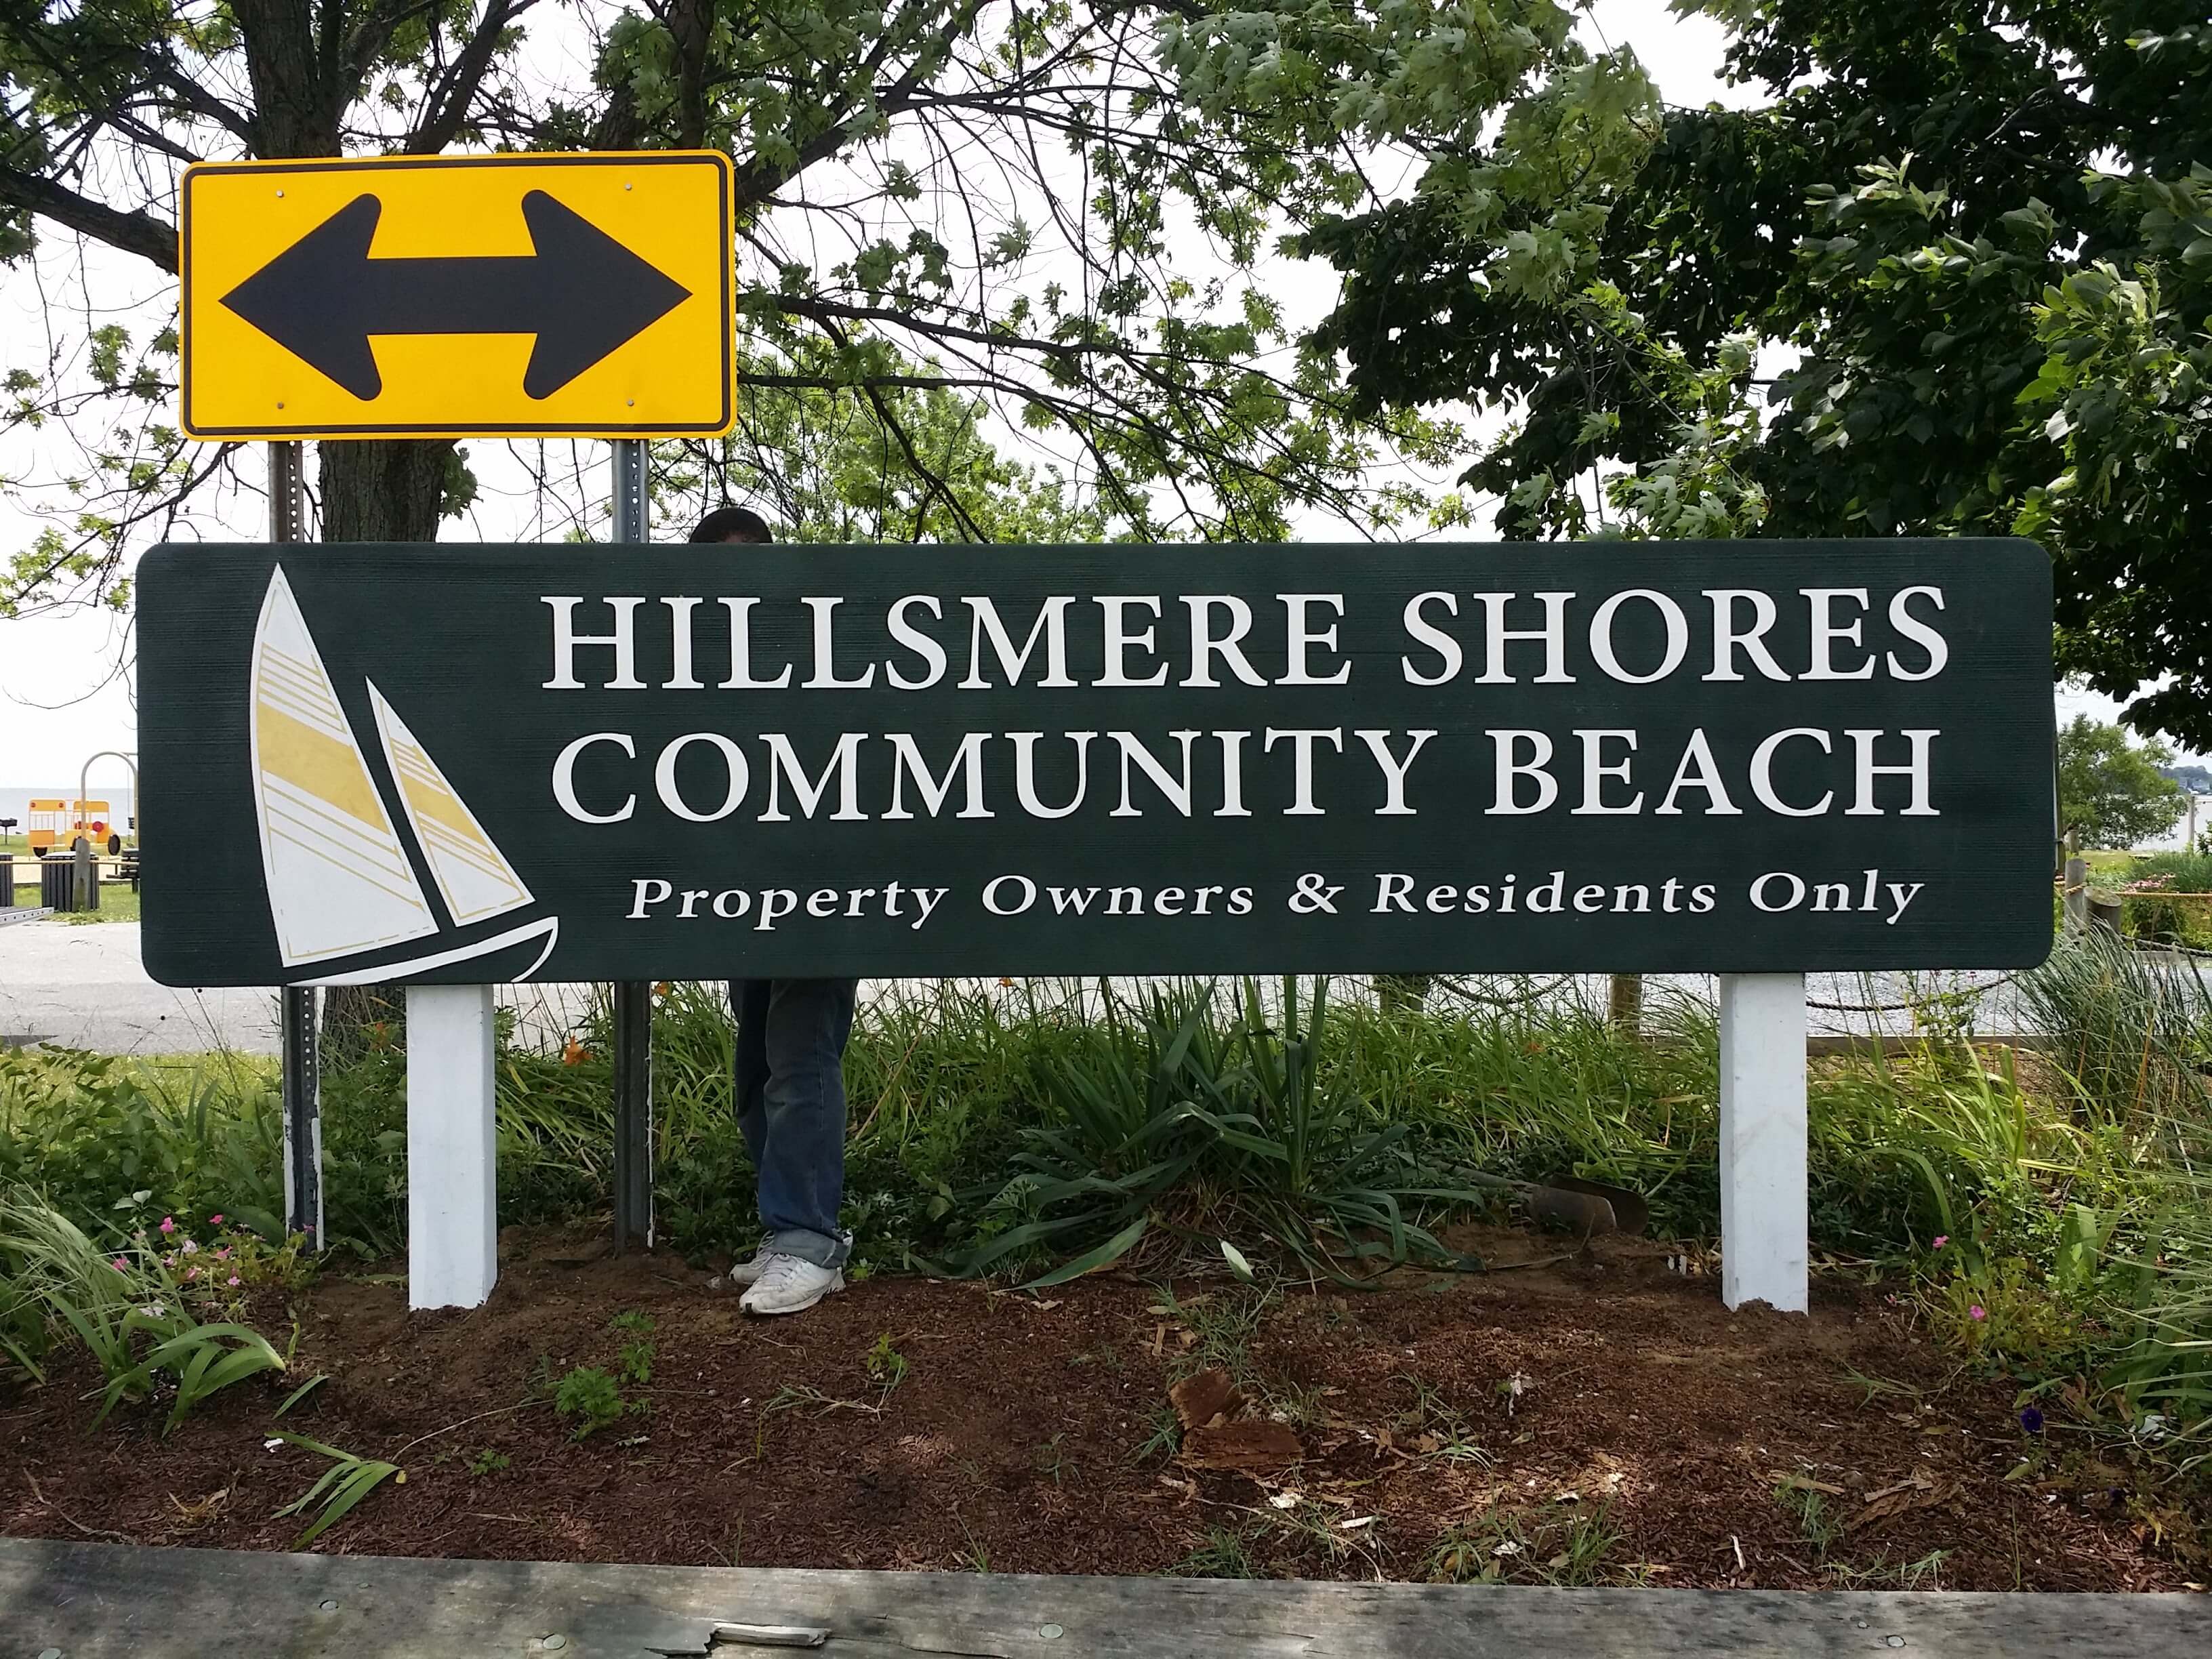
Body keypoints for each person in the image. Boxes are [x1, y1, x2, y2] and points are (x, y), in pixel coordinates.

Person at [691, 504, 859, 1315]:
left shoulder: (816, 648)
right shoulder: (687, 663)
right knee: (756, 1073)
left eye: (754, 561)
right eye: (721, 567)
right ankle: (786, 1228)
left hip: (822, 890)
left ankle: (810, 1242)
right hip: (739, 897)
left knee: (800, 1060)